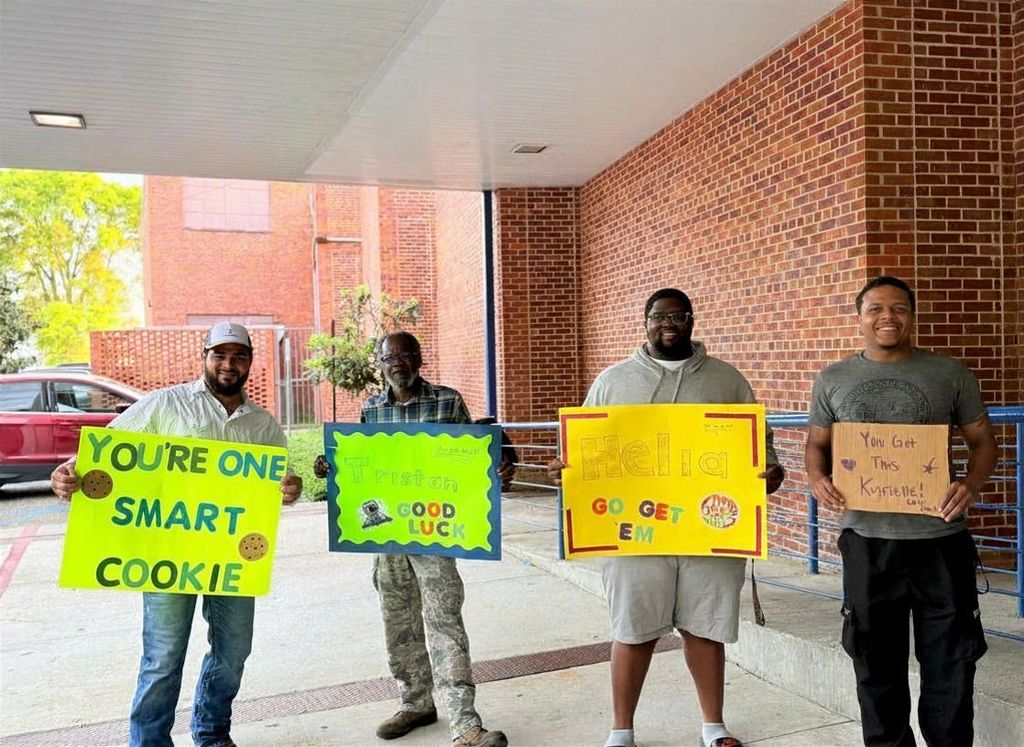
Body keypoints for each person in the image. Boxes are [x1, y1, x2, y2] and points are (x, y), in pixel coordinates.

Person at [547, 288, 785, 747]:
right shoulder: (612, 382)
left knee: (705, 627)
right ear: (644, 322)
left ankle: (713, 727)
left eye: (678, 316)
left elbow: (763, 447)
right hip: (634, 533)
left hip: (708, 530)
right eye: (659, 317)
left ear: (693, 321)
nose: (668, 324)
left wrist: (770, 472)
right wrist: (566, 471)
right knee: (632, 629)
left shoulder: (727, 381)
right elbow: (582, 453)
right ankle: (622, 731)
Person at [51, 322, 303, 747]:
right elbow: (107, 450)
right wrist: (69, 472)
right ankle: (149, 741)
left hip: (232, 558)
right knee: (163, 657)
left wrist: (290, 490)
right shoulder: (165, 405)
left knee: (234, 652)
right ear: (203, 356)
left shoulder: (263, 425)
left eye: (238, 355)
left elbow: (280, 485)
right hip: (170, 554)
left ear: (250, 363)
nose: (229, 364)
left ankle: (210, 731)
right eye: (219, 354)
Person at [804, 276, 996, 747]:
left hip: (940, 541)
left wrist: (969, 485)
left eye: (898, 308)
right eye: (874, 309)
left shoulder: (949, 374)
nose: (886, 317)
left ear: (912, 315)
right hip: (868, 542)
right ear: (859, 317)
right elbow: (816, 444)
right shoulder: (833, 379)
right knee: (874, 661)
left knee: (950, 660)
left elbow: (982, 442)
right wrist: (817, 479)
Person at [335, 331, 508, 747]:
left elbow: (475, 459)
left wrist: (496, 470)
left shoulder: (447, 402)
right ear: (379, 364)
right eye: (389, 357)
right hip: (388, 536)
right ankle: (415, 702)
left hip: (435, 534)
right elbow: (361, 471)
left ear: (419, 359)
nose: (398, 363)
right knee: (398, 622)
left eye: (406, 355)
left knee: (444, 621)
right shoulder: (372, 409)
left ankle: (464, 723)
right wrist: (333, 465)